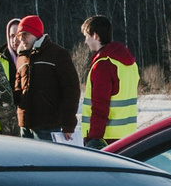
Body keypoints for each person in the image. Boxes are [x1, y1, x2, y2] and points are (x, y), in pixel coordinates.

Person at [10, 13, 79, 142]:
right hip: (24, 125)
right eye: (19, 35)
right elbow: (18, 89)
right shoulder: (21, 58)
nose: (22, 39)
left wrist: (68, 123)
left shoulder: (58, 54)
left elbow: (71, 89)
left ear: (37, 34)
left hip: (50, 125)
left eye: (26, 34)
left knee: (47, 162)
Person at [77, 14, 140, 149]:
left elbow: (100, 106)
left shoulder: (103, 65)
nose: (85, 42)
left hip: (105, 139)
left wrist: (93, 138)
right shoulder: (129, 64)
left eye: (86, 37)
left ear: (95, 36)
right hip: (128, 136)